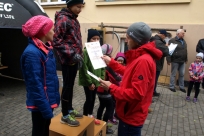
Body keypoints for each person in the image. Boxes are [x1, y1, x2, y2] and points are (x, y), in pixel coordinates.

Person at [99, 22, 162, 136]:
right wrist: (112, 63)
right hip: (129, 114)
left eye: (128, 38)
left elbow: (137, 94)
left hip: (131, 117)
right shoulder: (140, 56)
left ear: (136, 40)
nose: (126, 41)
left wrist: (111, 87)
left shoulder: (143, 61)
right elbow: (129, 72)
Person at [20, 15, 60, 136]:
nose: (54, 32)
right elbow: (35, 85)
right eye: (52, 29)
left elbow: (49, 77)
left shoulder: (45, 48)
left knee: (45, 129)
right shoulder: (32, 53)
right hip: (41, 104)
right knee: (39, 131)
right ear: (44, 31)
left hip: (47, 101)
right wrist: (45, 108)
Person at [53, 0, 84, 126]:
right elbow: (56, 41)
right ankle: (65, 114)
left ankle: (70, 109)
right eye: (78, 6)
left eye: (81, 7)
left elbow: (76, 40)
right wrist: (72, 54)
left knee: (71, 87)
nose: (80, 9)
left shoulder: (74, 19)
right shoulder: (63, 19)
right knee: (66, 87)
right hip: (67, 60)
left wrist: (79, 57)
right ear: (70, 5)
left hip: (74, 60)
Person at [78, 29, 104, 125]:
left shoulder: (99, 51)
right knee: (89, 99)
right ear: (89, 40)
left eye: (98, 39)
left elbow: (102, 66)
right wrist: (89, 82)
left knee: (93, 99)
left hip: (96, 80)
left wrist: (101, 78)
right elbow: (84, 69)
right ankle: (86, 117)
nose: (96, 41)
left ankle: (90, 115)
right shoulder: (85, 52)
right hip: (89, 81)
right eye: (93, 39)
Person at [96, 43, 114, 134]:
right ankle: (104, 128)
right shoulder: (107, 62)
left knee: (101, 106)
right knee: (110, 108)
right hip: (106, 89)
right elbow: (115, 77)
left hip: (98, 89)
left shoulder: (98, 60)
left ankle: (98, 125)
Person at [107, 52, 126, 125]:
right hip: (113, 90)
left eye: (121, 61)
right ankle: (110, 117)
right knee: (112, 105)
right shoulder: (113, 69)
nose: (120, 62)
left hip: (119, 90)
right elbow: (113, 78)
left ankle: (116, 115)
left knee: (117, 104)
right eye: (118, 60)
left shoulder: (124, 67)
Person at [150, 30, 169, 97]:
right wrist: (166, 46)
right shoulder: (158, 42)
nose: (165, 38)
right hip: (156, 64)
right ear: (163, 35)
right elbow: (166, 52)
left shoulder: (156, 40)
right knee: (154, 79)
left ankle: (153, 91)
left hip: (155, 63)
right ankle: (151, 93)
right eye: (165, 36)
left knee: (154, 79)